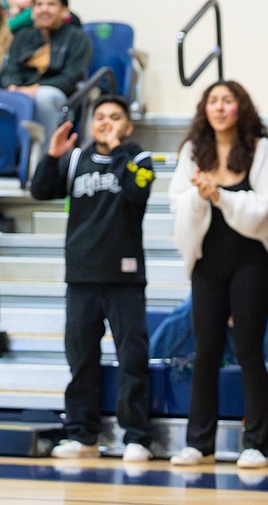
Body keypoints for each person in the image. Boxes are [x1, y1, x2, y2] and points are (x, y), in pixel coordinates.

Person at [31, 97, 155, 462]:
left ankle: (136, 437)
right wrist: (52, 156)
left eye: (115, 117)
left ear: (128, 125)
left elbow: (137, 192)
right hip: (81, 276)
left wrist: (120, 150)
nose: (106, 123)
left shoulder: (138, 158)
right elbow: (40, 190)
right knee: (81, 359)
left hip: (125, 277)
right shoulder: (75, 160)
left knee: (132, 357)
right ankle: (82, 435)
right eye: (100, 117)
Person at [167, 79, 268, 470]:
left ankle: (257, 441)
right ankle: (199, 443)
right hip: (207, 263)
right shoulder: (193, 151)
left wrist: (219, 195)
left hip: (252, 261)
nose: (220, 107)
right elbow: (178, 203)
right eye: (213, 101)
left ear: (240, 107)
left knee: (248, 349)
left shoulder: (259, 148)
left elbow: (262, 209)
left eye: (228, 101)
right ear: (204, 109)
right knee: (205, 350)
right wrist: (200, 194)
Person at [1, 0, 93, 142]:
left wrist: (35, 89)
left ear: (64, 11)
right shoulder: (22, 36)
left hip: (61, 95)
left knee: (44, 96)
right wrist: (13, 87)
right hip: (21, 91)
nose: (44, 9)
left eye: (51, 4)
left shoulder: (77, 37)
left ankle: (47, 155)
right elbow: (10, 69)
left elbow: (72, 76)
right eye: (39, 5)